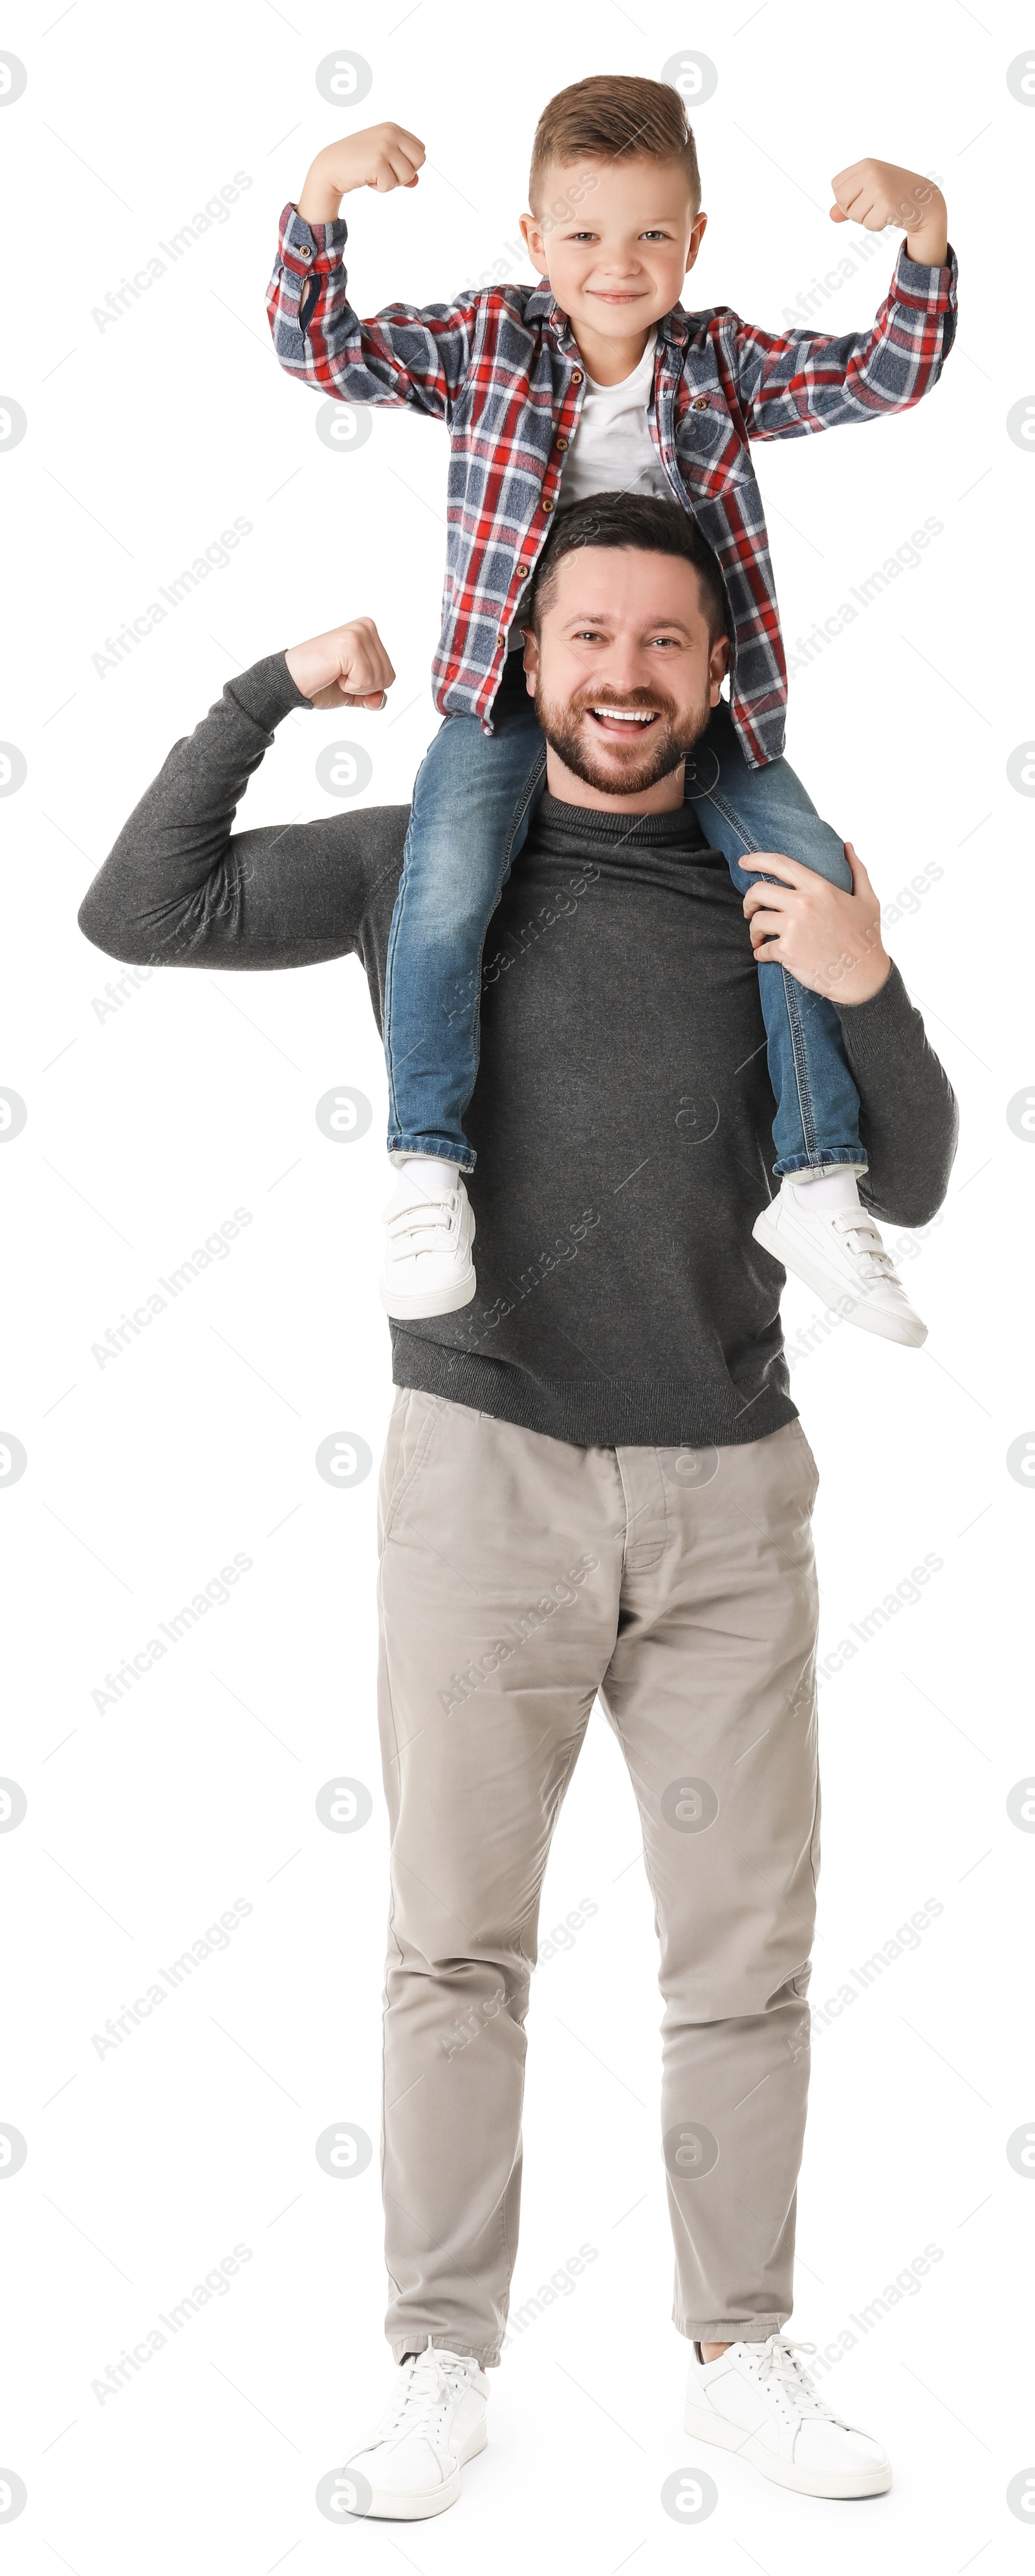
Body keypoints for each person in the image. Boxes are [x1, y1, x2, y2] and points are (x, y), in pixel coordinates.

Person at [78, 503, 957, 2516]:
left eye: (667, 640)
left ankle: (742, 2352)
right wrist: (268, 689)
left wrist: (869, 977)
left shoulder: (771, 875)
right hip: (486, 1482)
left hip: (735, 1497)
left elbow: (898, 1184)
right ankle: (439, 2364)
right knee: (454, 1949)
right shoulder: (420, 869)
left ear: (720, 670)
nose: (627, 675)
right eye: (589, 636)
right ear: (525, 652)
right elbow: (140, 908)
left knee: (744, 1958)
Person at [265, 72, 957, 1334]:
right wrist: (319, 195)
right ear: (533, 243)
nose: (616, 263)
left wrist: (922, 234)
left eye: (650, 234)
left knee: (799, 878)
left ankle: (813, 1177)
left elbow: (877, 375)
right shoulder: (488, 342)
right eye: (582, 234)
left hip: (691, 706)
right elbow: (326, 349)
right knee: (444, 883)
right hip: (508, 694)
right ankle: (427, 1163)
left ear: (691, 241)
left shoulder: (721, 364)